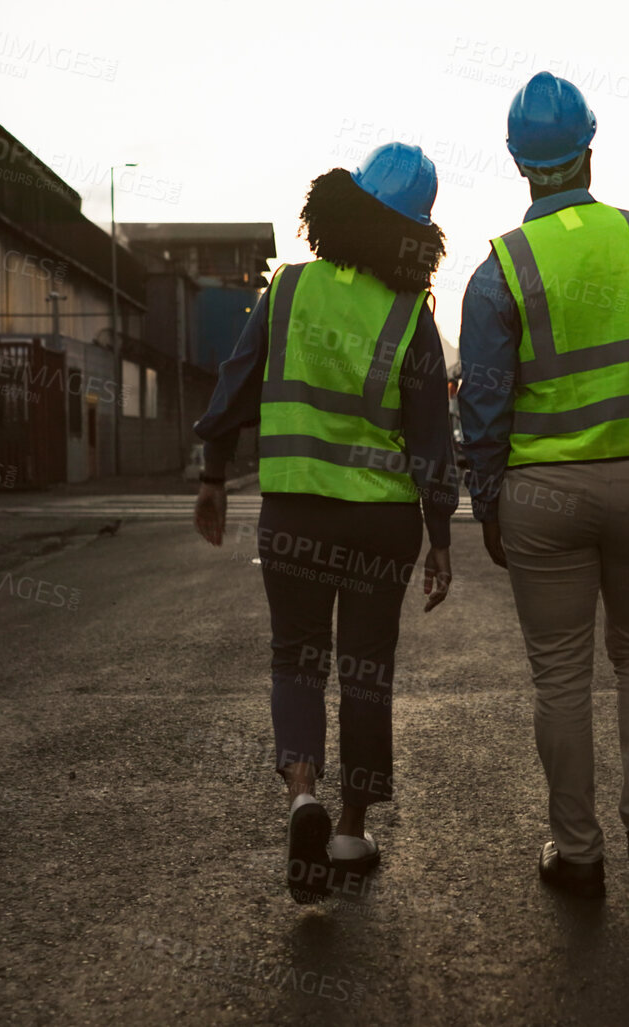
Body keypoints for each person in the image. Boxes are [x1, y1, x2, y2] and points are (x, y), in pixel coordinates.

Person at [458, 72, 629, 899]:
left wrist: (486, 501)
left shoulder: (499, 270)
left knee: (560, 674)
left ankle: (577, 852)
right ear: (589, 151)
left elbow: (484, 405)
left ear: (518, 164)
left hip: (545, 491)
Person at [194, 142, 458, 904]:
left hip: (294, 510)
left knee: (295, 660)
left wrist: (213, 475)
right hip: (382, 523)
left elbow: (233, 385)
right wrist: (440, 534)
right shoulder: (410, 314)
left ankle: (301, 795)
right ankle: (347, 831)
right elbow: (432, 440)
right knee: (365, 672)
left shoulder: (288, 288)